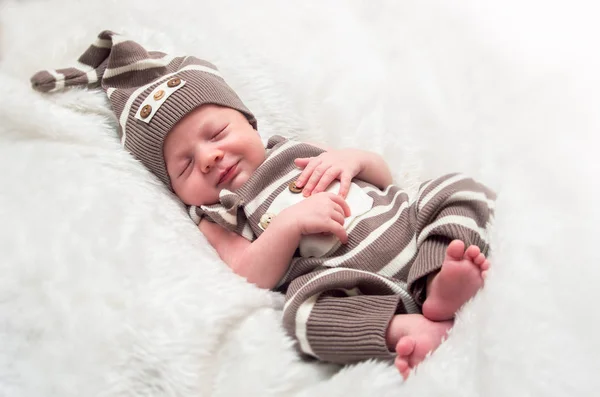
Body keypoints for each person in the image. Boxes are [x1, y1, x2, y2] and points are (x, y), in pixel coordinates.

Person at [31, 30, 495, 379]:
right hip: (348, 283)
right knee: (302, 318)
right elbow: (251, 274)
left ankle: (436, 278)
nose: (210, 157)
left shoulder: (293, 149)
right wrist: (288, 227)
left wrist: (351, 160)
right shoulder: (215, 217)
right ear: (173, 188)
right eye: (185, 165)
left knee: (455, 188)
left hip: (402, 226)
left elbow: (383, 175)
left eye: (216, 134)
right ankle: (400, 328)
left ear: (248, 122)